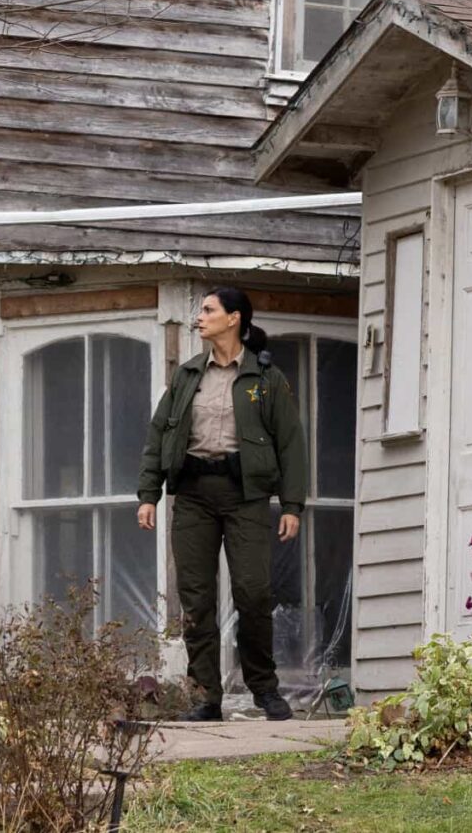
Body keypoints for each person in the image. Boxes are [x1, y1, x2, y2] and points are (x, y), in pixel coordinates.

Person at [136, 287, 308, 722]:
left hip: (245, 496)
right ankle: (206, 696)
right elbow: (158, 436)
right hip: (192, 495)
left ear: (234, 319)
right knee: (196, 599)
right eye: (200, 311)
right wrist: (148, 494)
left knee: (253, 592)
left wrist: (291, 505)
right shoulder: (187, 375)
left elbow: (290, 444)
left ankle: (265, 690)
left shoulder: (266, 379)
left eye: (209, 310)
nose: (200, 317)